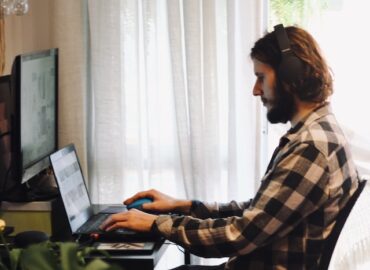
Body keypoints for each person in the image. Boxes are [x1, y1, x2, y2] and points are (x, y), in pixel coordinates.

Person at [100, 25, 360, 269]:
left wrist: (158, 224)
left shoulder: (311, 148)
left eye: (261, 77)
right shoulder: (319, 131)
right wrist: (185, 206)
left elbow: (239, 235)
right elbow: (260, 211)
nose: (256, 90)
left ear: (289, 77)